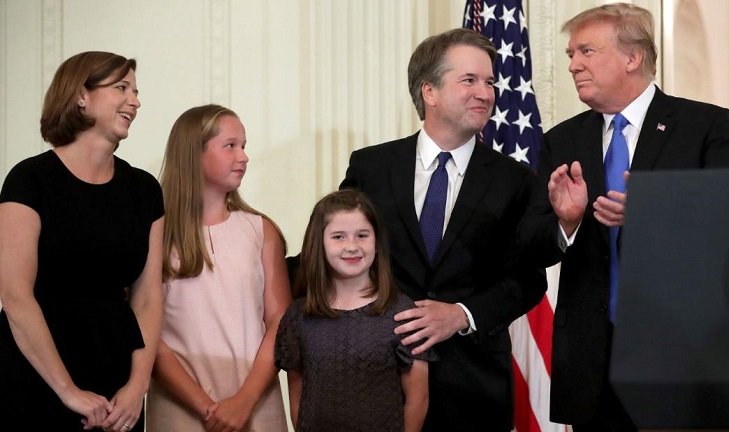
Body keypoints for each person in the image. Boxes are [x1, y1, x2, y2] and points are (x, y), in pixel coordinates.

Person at [520, 3, 729, 430]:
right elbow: (529, 242)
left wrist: (654, 213)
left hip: (680, 353)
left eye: (586, 51)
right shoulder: (561, 140)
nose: (573, 66)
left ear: (632, 57)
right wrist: (566, 223)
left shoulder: (705, 125)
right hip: (591, 362)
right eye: (571, 54)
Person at [339, 28, 547, 431]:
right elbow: (340, 253)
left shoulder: (516, 180)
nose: (485, 93)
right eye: (469, 80)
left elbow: (528, 280)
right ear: (429, 91)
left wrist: (462, 314)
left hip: (475, 388)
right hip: (379, 378)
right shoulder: (371, 166)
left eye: (489, 82)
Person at [0, 51, 164, 431]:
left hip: (115, 377)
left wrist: (137, 386)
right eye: (122, 87)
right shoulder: (30, 180)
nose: (135, 101)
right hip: (35, 375)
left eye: (136, 91)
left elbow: (149, 296)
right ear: (80, 96)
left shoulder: (144, 190)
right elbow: (16, 295)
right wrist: (68, 390)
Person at [147, 104, 290, 432]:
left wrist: (243, 401)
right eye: (230, 146)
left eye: (244, 146)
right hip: (179, 406)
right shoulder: (156, 234)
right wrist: (205, 405)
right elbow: (148, 330)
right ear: (192, 153)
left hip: (253, 404)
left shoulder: (260, 230)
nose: (244, 157)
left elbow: (278, 321)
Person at [275, 189, 433, 432]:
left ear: (377, 243)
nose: (352, 246)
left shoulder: (402, 313)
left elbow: (417, 399)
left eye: (362, 235)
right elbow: (297, 395)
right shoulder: (299, 316)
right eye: (338, 237)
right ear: (319, 244)